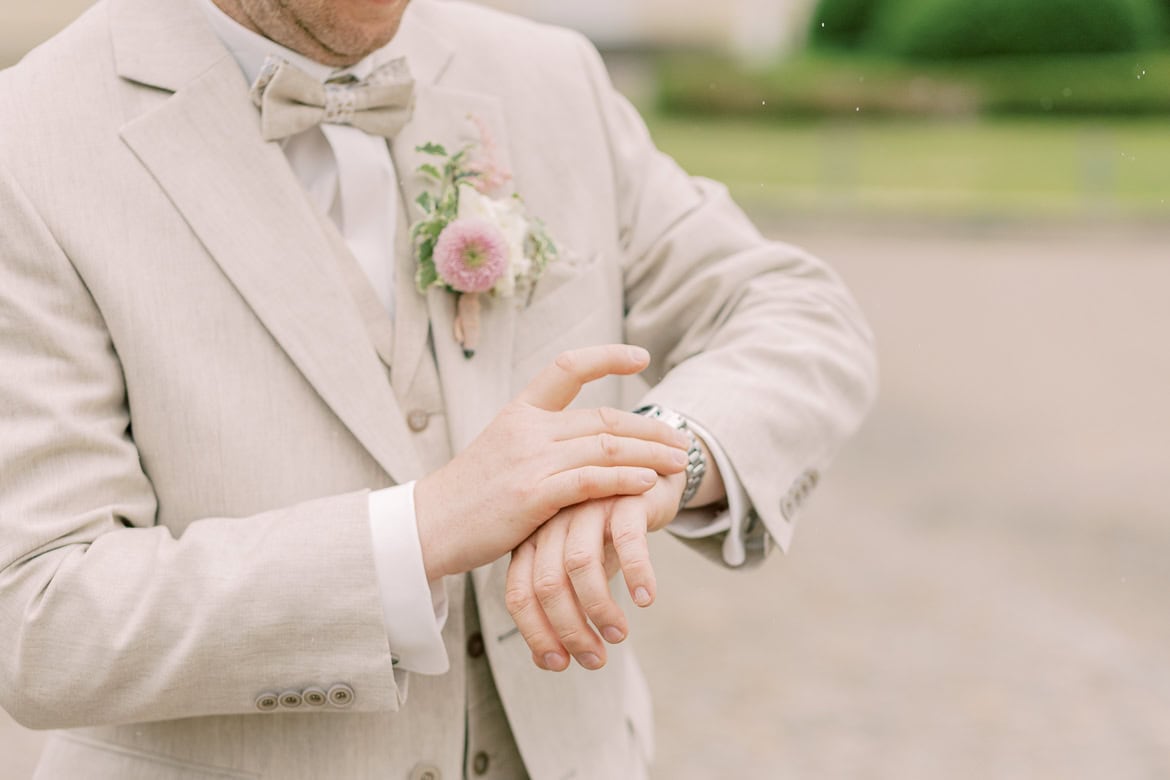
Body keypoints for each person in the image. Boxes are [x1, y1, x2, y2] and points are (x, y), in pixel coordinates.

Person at [0, 0, 877, 777]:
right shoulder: (29, 141)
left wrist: (655, 460)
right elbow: (43, 620)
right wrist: (418, 532)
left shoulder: (550, 75)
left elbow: (794, 311)